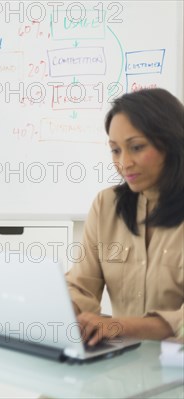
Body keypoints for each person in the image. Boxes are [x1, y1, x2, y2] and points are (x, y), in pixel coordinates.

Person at [66, 88, 184, 346]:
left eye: (137, 147)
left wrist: (119, 326)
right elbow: (81, 285)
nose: (124, 162)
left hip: (176, 367)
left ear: (172, 144)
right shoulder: (106, 205)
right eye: (115, 150)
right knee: (51, 387)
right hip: (121, 361)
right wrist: (68, 310)